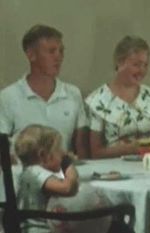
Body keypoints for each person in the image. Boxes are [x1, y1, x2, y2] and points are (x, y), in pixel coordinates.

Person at [0, 24, 89, 159]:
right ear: (31, 55)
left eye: (61, 51)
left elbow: (82, 150)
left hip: (63, 174)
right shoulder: (8, 97)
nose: (58, 57)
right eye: (51, 51)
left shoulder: (73, 94)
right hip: (21, 175)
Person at [85, 36, 150, 158]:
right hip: (110, 171)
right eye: (136, 65)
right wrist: (128, 149)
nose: (142, 70)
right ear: (119, 62)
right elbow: (95, 152)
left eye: (145, 65)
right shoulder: (98, 100)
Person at [15, 124, 79, 233]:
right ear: (43, 155)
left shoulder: (27, 172)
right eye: (58, 150)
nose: (63, 154)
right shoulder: (36, 173)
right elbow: (68, 188)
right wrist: (69, 166)